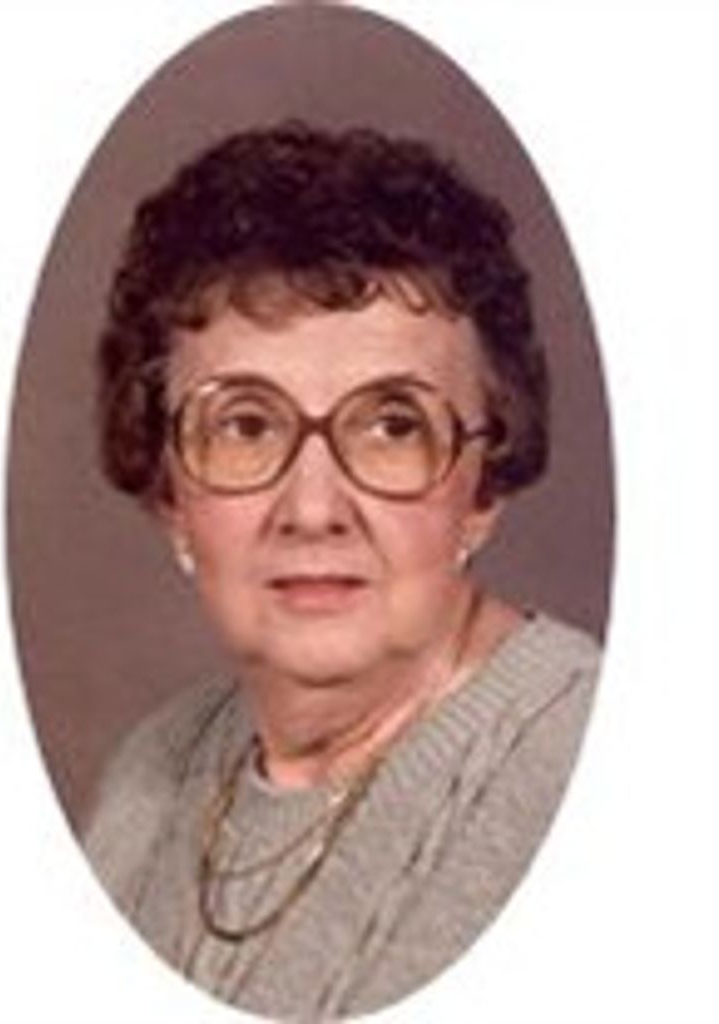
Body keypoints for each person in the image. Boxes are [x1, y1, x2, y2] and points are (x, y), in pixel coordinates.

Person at [84, 122, 600, 1020]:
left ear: (483, 486)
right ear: (171, 496)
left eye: (394, 424)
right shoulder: (148, 775)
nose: (314, 507)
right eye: (245, 425)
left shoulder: (582, 765)